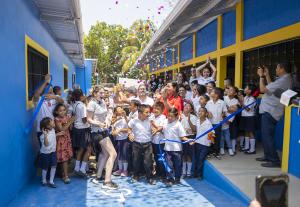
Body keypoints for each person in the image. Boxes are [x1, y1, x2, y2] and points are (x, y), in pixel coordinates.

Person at [257, 63, 293, 168]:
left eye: (277, 67)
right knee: (266, 135)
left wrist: (261, 76)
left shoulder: (284, 80)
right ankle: (268, 156)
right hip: (270, 110)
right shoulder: (284, 79)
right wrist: (267, 75)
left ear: (282, 69)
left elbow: (263, 90)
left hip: (271, 111)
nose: (276, 69)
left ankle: (274, 160)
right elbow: (271, 88)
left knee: (267, 136)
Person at [87, 86, 118, 189]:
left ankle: (99, 176)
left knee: (105, 154)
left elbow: (105, 115)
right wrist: (99, 123)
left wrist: (107, 121)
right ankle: (107, 181)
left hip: (103, 131)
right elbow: (89, 119)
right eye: (100, 93)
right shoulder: (91, 103)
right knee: (113, 154)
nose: (103, 94)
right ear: (95, 93)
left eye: (103, 93)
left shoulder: (102, 102)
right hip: (96, 132)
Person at [128, 104, 155, 185]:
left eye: (149, 112)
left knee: (148, 162)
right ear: (140, 113)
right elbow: (129, 128)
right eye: (146, 112)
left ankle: (150, 177)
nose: (148, 114)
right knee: (136, 161)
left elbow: (154, 128)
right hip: (136, 144)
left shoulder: (150, 120)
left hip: (148, 144)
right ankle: (136, 175)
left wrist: (153, 129)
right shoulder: (133, 121)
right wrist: (130, 134)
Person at [162, 108, 187, 186]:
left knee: (178, 165)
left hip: (177, 149)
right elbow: (162, 130)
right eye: (168, 116)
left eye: (171, 116)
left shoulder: (178, 124)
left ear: (176, 117)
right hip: (167, 148)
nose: (169, 118)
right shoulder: (165, 122)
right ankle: (170, 179)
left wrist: (189, 141)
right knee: (168, 165)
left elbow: (183, 136)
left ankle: (177, 179)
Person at [39, 117, 64, 188]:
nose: (54, 122)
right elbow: (46, 144)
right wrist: (45, 135)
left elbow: (52, 136)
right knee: (45, 167)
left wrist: (58, 134)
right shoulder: (43, 135)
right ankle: (43, 180)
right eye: (52, 122)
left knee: (54, 166)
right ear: (47, 126)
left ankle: (51, 181)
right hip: (45, 154)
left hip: (53, 152)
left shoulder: (52, 130)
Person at [53, 104, 75, 184]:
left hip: (67, 139)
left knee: (66, 158)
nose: (63, 112)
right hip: (61, 141)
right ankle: (65, 176)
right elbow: (62, 129)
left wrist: (70, 122)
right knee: (64, 159)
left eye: (64, 110)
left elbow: (70, 128)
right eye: (60, 110)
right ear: (56, 112)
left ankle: (63, 173)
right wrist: (70, 122)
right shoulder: (57, 119)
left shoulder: (67, 118)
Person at [72, 89, 91, 177]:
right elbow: (84, 120)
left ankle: (77, 168)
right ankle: (82, 169)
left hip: (77, 128)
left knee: (81, 149)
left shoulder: (75, 104)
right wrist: (91, 120)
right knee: (88, 148)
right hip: (83, 129)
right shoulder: (82, 106)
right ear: (81, 96)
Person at [193, 107, 214, 180]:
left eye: (202, 111)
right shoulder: (197, 121)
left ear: (206, 114)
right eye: (199, 111)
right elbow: (197, 131)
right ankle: (195, 173)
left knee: (201, 159)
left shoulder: (208, 123)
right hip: (197, 142)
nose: (200, 112)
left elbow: (211, 134)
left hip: (205, 144)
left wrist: (211, 141)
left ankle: (199, 175)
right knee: (196, 158)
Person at [206, 87, 227, 159]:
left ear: (216, 94)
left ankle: (216, 152)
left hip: (218, 123)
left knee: (217, 138)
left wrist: (223, 115)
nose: (210, 93)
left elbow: (224, 111)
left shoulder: (222, 102)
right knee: (210, 138)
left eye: (212, 92)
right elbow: (206, 112)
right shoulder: (209, 102)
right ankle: (209, 152)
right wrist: (208, 114)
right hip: (210, 124)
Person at [150, 102, 167, 179]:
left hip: (161, 142)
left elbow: (161, 128)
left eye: (158, 109)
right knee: (155, 158)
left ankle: (163, 174)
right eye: (155, 108)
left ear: (162, 110)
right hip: (152, 141)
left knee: (161, 158)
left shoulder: (163, 118)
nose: (155, 110)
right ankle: (157, 172)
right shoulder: (151, 116)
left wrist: (154, 125)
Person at [111, 106, 130, 177]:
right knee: (119, 155)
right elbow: (113, 130)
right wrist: (114, 133)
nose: (120, 109)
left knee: (125, 154)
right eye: (118, 109)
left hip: (125, 139)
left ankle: (125, 170)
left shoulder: (126, 118)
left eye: (121, 108)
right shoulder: (115, 119)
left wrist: (125, 116)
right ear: (115, 111)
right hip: (118, 139)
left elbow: (129, 128)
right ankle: (120, 169)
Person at [221, 86, 239, 156]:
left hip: (230, 119)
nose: (229, 91)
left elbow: (234, 110)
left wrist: (227, 109)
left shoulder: (236, 101)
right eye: (229, 89)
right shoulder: (223, 98)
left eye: (231, 90)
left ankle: (231, 148)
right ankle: (222, 148)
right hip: (222, 118)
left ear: (235, 93)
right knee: (222, 136)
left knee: (230, 134)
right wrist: (229, 109)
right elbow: (228, 109)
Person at [180, 102, 197, 178]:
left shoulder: (194, 117)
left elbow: (194, 129)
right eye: (185, 105)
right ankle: (184, 172)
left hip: (190, 137)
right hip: (183, 137)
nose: (186, 107)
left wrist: (189, 120)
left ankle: (188, 172)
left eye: (189, 106)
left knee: (189, 155)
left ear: (191, 109)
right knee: (183, 155)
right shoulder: (181, 116)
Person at [240, 84, 257, 154]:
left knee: (250, 132)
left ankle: (252, 149)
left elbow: (247, 109)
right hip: (244, 116)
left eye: (246, 88)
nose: (244, 89)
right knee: (246, 132)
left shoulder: (252, 99)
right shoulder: (245, 97)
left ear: (250, 91)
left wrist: (241, 102)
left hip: (250, 117)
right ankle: (247, 147)